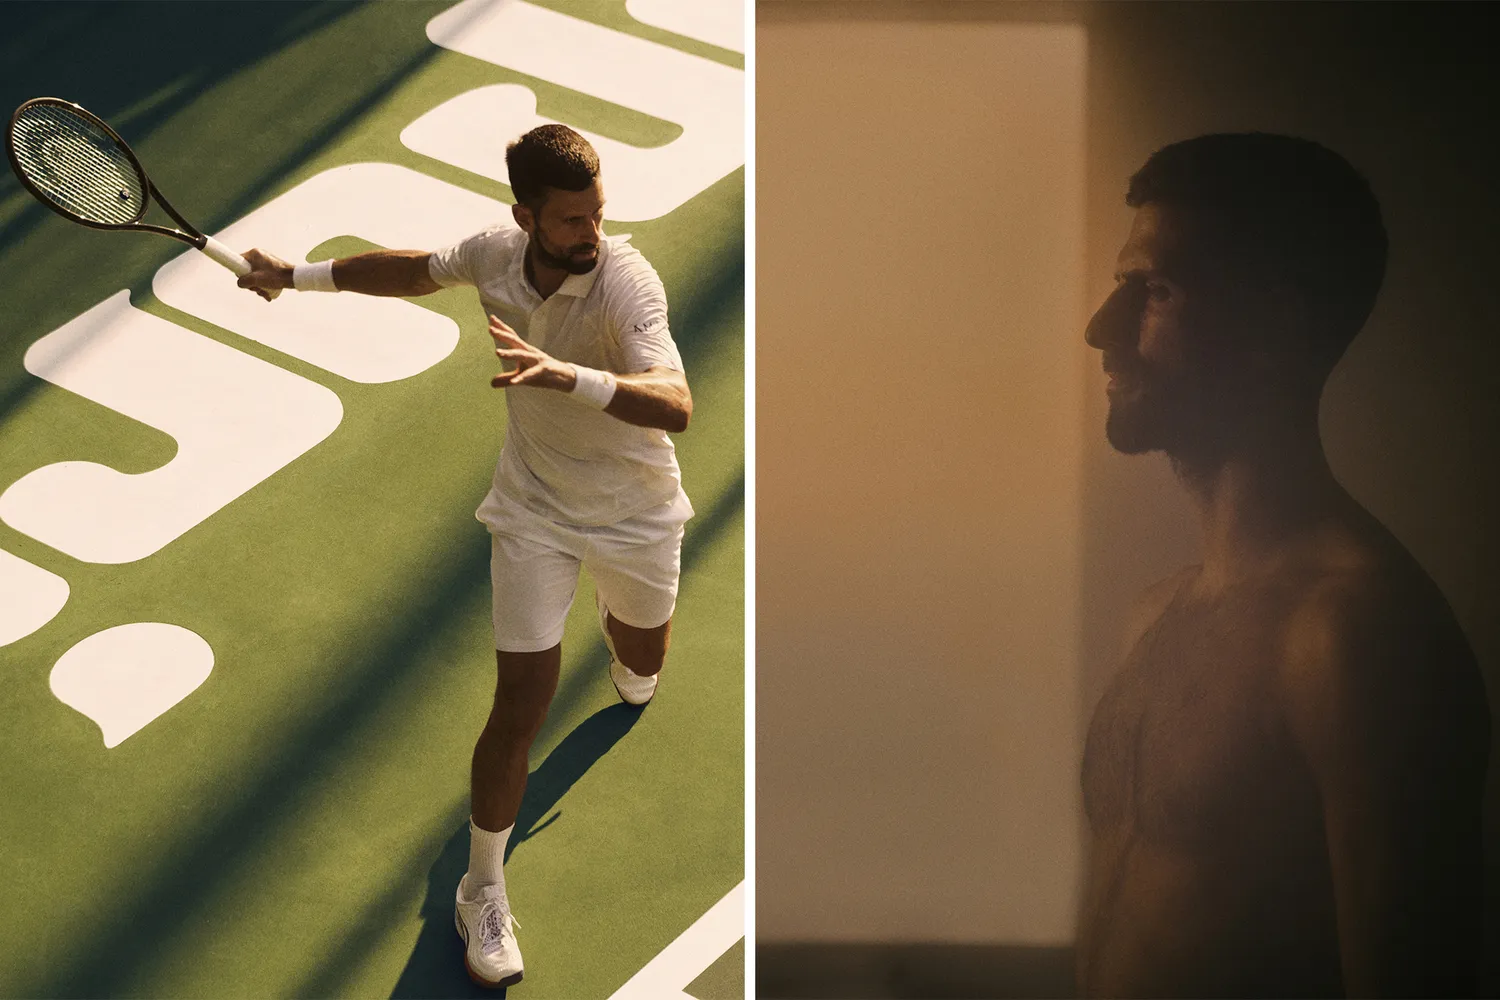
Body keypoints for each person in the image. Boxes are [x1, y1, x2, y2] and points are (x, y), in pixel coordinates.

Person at [237, 124, 694, 990]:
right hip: (533, 511)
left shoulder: (627, 282)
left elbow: (675, 403)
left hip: (636, 516)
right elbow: (414, 271)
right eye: (571, 220)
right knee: (520, 702)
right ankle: (481, 888)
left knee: (642, 665)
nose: (591, 233)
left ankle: (622, 628)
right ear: (525, 218)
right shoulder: (493, 255)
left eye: (597, 213)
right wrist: (293, 276)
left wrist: (568, 377)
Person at [1076, 132, 1489, 998]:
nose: (1100, 330)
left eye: (1155, 291)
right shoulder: (1154, 616)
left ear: (1276, 326)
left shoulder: (1355, 637)